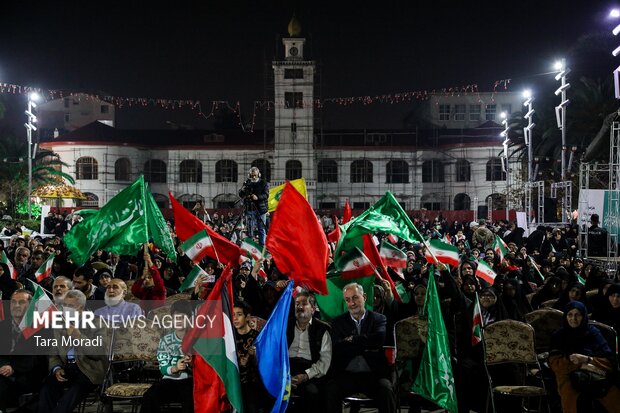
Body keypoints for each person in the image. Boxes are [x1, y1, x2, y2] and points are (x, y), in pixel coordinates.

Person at [325, 283, 396, 413]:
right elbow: (338, 348)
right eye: (348, 300)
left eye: (355, 297)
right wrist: (366, 344)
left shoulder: (379, 319)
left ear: (364, 297)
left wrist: (352, 340)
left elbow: (378, 340)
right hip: (347, 375)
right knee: (331, 389)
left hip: (374, 374)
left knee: (386, 390)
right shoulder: (338, 322)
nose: (352, 303)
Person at [38, 290, 108, 413]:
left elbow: (98, 352)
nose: (66, 309)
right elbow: (53, 352)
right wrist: (56, 368)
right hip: (66, 368)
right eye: (65, 305)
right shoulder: (60, 323)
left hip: (88, 369)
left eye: (70, 306)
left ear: (80, 306)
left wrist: (79, 337)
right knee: (48, 386)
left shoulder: (98, 322)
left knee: (67, 399)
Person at [549, 301, 620, 413]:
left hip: (596, 374)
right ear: (565, 316)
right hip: (568, 375)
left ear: (584, 316)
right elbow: (555, 363)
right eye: (570, 315)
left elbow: (610, 362)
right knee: (571, 394)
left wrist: (587, 359)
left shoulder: (594, 333)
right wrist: (571, 361)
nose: (574, 319)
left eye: (578, 315)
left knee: (612, 393)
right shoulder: (559, 336)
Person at [0, 289, 48, 412]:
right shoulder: (2, 325)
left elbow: (37, 356)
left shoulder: (40, 327)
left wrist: (13, 367)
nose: (16, 305)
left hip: (27, 373)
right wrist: (4, 364)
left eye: (21, 302)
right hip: (3, 370)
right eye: (13, 302)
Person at [287, 291, 332, 413]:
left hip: (310, 370)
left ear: (313, 309)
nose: (299, 307)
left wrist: (306, 376)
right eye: (297, 304)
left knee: (312, 393)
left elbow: (324, 362)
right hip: (287, 368)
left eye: (304, 303)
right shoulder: (285, 325)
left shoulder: (323, 329)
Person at [239, 166, 269, 246]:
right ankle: (251, 246)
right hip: (250, 208)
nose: (254, 177)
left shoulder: (263, 183)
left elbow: (266, 195)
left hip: (261, 209)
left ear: (259, 174)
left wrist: (257, 197)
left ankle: (262, 246)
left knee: (261, 229)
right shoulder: (247, 183)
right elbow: (240, 194)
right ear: (249, 175)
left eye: (255, 175)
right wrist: (243, 190)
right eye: (252, 176)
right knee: (249, 228)